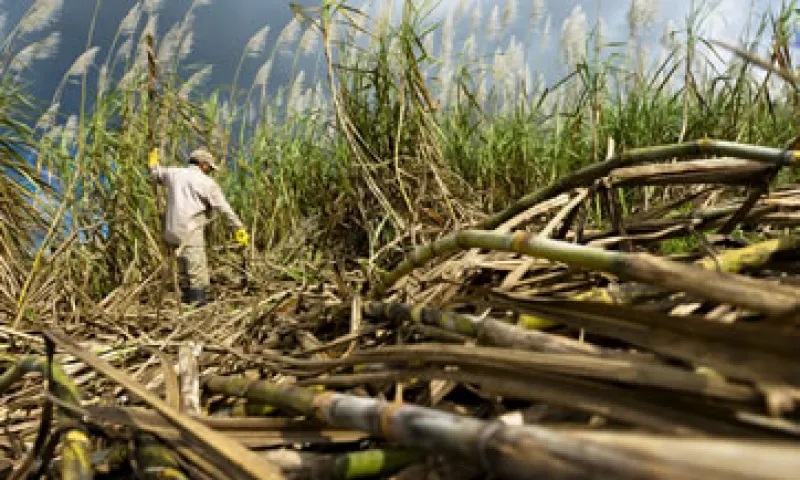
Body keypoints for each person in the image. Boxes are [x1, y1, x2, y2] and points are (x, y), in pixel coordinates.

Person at [147, 147, 249, 306]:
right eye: (210, 168)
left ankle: (185, 304)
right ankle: (197, 309)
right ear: (203, 165)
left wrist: (153, 162)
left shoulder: (173, 173)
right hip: (191, 233)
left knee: (183, 273)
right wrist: (238, 228)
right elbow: (224, 209)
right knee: (197, 276)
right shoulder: (206, 182)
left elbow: (155, 174)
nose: (210, 172)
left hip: (171, 233)